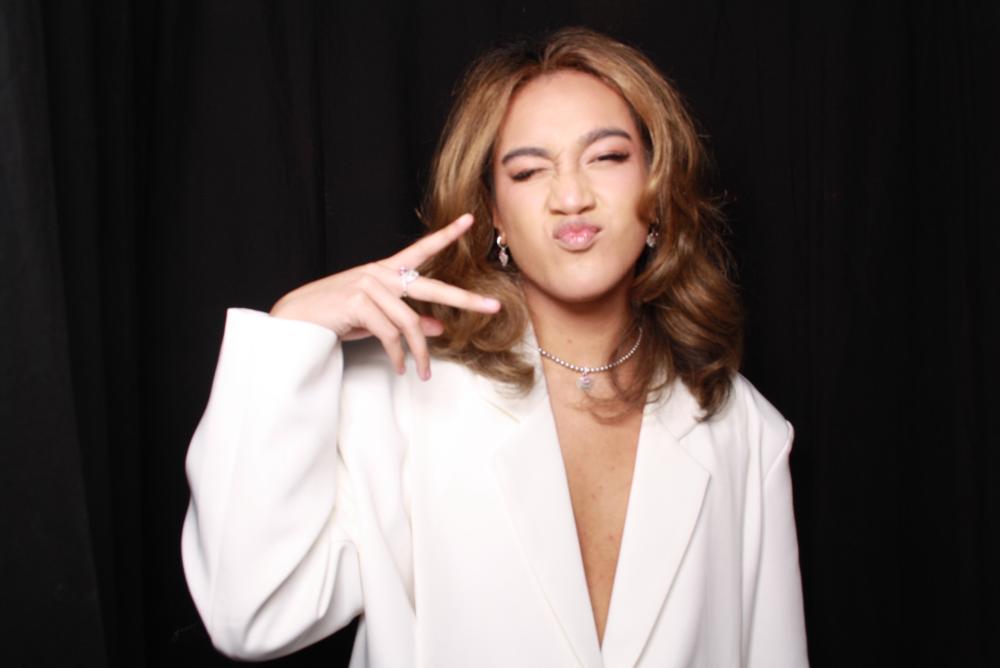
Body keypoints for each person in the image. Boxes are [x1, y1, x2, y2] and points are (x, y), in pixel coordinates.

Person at [181, 27, 808, 668]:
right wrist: (293, 326)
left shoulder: (743, 430)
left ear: (657, 182)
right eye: (529, 170)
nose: (571, 198)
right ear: (495, 214)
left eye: (607, 157)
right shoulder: (396, 401)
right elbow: (248, 613)